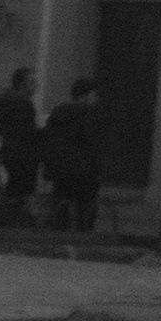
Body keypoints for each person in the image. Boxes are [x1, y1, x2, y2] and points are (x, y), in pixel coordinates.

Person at [40, 76, 105, 231]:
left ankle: (58, 237)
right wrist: (98, 170)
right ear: (85, 95)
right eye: (94, 95)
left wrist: (49, 169)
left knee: (61, 208)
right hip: (83, 171)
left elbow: (48, 142)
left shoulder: (56, 113)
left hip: (60, 170)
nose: (95, 99)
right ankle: (83, 237)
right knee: (85, 210)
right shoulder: (88, 114)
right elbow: (91, 144)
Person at [0, 68, 41, 224]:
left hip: (9, 152)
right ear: (22, 84)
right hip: (23, 155)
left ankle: (5, 223)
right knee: (20, 194)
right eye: (32, 83)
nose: (35, 86)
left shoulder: (7, 101)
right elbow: (26, 132)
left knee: (12, 192)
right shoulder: (23, 103)